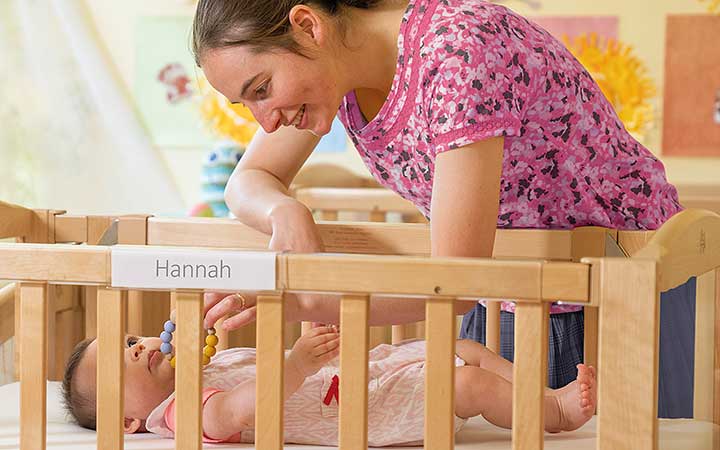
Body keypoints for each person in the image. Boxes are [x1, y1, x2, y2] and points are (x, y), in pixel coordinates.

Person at [193, 0, 685, 413]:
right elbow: (250, 180)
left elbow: (457, 278)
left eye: (261, 90)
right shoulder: (333, 81)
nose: (266, 121)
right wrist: (286, 212)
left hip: (621, 286)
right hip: (511, 294)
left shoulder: (458, 49)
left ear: (308, 27)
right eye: (247, 104)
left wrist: (300, 297)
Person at [61, 327, 597, 445]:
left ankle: (545, 395)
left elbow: (236, 366)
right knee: (469, 385)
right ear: (127, 422)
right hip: (355, 409)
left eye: (130, 339)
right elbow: (233, 413)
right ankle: (555, 415)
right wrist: (293, 363)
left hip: (358, 373)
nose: (136, 348)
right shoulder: (183, 413)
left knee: (463, 347)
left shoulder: (197, 370)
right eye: (120, 362)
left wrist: (219, 333)